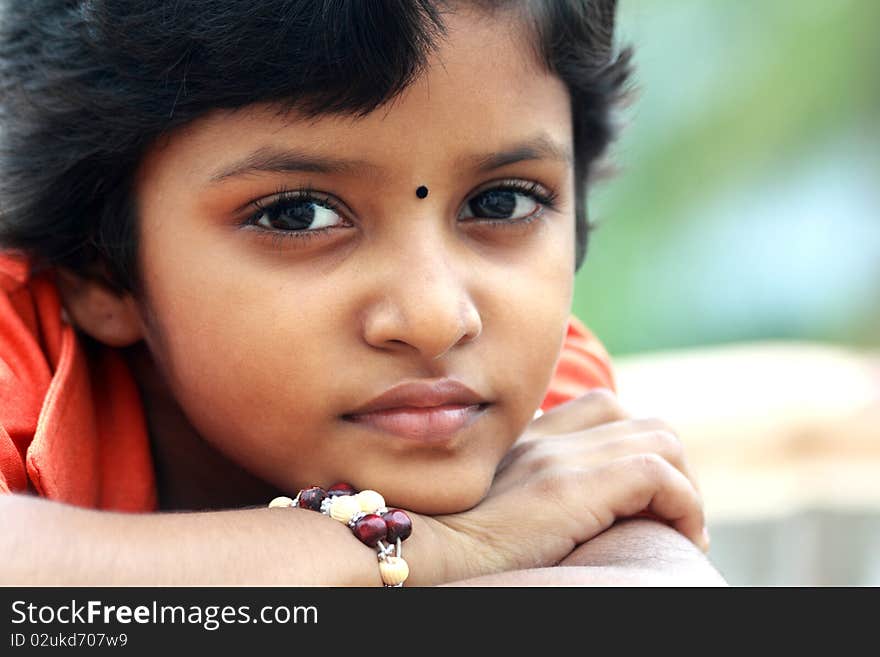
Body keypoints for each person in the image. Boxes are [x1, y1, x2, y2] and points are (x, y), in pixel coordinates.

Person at [0, 0, 723, 585]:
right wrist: (436, 546)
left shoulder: (544, 403)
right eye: (298, 214)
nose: (437, 318)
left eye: (502, 203)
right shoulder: (18, 339)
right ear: (99, 268)